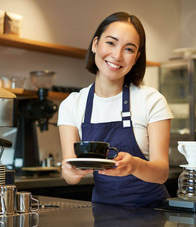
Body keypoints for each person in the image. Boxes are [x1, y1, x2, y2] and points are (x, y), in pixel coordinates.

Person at [57, 12, 173, 208]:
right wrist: (69, 172)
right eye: (111, 43)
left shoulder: (152, 100)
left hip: (152, 213)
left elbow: (161, 173)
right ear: (95, 44)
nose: (117, 56)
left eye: (128, 49)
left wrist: (135, 166)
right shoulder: (72, 104)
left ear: (136, 58)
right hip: (103, 213)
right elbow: (70, 176)